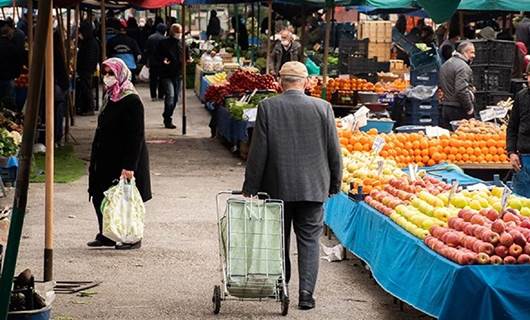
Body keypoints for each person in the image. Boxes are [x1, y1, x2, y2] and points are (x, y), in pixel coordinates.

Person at [242, 61, 342, 311]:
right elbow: (334, 151)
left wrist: (251, 186)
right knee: (309, 241)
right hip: (313, 187)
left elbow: (258, 152)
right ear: (307, 83)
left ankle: (282, 287)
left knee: (279, 239)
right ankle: (306, 294)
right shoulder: (324, 108)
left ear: (279, 83)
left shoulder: (267, 107)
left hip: (277, 186)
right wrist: (334, 183)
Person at [88, 58, 151, 250]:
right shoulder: (110, 96)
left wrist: (129, 166)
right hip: (105, 156)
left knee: (125, 199)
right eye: (105, 73)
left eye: (111, 74)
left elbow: (136, 135)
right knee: (101, 195)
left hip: (123, 157)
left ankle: (131, 237)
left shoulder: (131, 99)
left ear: (121, 75)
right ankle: (107, 233)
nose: (107, 77)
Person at [438, 41, 476, 129]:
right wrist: (469, 109)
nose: (474, 55)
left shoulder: (445, 65)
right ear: (464, 52)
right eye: (472, 52)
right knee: (461, 138)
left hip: (446, 107)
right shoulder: (463, 67)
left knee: (449, 139)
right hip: (458, 109)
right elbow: (461, 90)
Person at [158, 23, 187, 129]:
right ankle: (167, 118)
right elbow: (157, 55)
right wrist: (163, 60)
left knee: (175, 99)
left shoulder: (183, 44)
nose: (178, 34)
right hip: (166, 74)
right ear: (172, 32)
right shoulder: (163, 43)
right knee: (170, 95)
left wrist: (187, 60)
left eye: (180, 32)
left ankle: (168, 115)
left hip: (178, 74)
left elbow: (186, 57)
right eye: (177, 32)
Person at [507, 65, 530, 198]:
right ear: (526, 77)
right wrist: (511, 152)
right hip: (524, 158)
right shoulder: (521, 97)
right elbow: (512, 127)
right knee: (522, 202)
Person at [76, 21, 100, 115]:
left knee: (86, 88)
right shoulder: (89, 41)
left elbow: (89, 57)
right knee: (85, 88)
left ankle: (89, 108)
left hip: (86, 69)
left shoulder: (91, 43)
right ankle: (85, 107)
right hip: (86, 69)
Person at [0, 20, 23, 108]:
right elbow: (18, 63)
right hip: (8, 79)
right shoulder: (12, 47)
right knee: (9, 106)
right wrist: (16, 74)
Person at [144, 23, 167, 101]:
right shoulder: (164, 39)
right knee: (162, 79)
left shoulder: (150, 38)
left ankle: (153, 96)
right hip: (162, 62)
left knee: (153, 79)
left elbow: (146, 51)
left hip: (152, 62)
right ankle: (161, 95)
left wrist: (146, 61)